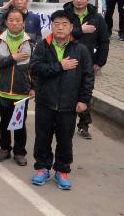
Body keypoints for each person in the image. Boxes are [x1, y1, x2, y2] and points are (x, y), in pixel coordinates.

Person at [30, 10, 95, 190]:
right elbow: (35, 68)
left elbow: (88, 77)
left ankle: (62, 170)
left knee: (65, 139)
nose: (60, 27)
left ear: (71, 27)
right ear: (51, 26)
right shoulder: (43, 46)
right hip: (45, 102)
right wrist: (60, 66)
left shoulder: (80, 50)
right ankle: (42, 168)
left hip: (68, 104)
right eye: (56, 23)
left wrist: (84, 101)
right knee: (42, 137)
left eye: (64, 24)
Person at [63, 0, 109, 140]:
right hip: (66, 60)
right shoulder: (65, 15)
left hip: (88, 62)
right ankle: (62, 122)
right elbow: (60, 33)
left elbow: (104, 41)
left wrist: (100, 62)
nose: (79, 0)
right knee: (65, 91)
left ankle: (83, 125)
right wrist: (80, 30)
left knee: (85, 92)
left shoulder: (97, 18)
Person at [0, 8, 34, 166]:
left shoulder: (31, 41)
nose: (14, 23)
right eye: (11, 20)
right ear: (6, 22)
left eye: (18, 20)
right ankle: (4, 148)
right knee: (4, 121)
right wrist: (12, 58)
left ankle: (19, 152)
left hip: (22, 91)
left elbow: (35, 67)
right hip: (3, 89)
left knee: (20, 123)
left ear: (23, 23)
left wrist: (33, 87)